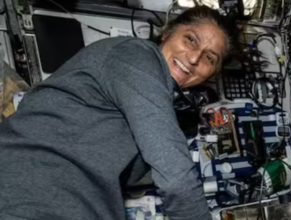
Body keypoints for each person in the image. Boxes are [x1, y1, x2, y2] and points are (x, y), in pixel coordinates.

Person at [0, 6, 235, 220]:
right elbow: (176, 178)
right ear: (167, 33)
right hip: (30, 195)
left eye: (209, 58)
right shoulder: (136, 56)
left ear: (211, 73)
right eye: (191, 40)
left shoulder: (156, 100)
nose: (194, 58)